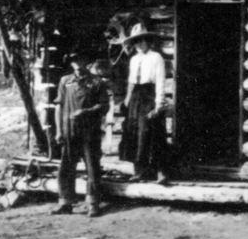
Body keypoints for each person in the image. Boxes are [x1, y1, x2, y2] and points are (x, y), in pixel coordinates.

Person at [53, 49, 111, 217]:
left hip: (89, 132)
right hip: (69, 130)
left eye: (81, 60)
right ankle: (65, 202)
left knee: (92, 167)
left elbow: (104, 106)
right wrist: (59, 130)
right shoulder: (65, 81)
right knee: (66, 167)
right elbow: (59, 106)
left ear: (87, 62)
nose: (78, 63)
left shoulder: (97, 82)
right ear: (71, 63)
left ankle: (93, 203)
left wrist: (86, 112)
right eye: (74, 61)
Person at [123, 22, 172, 184]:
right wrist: (128, 99)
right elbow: (131, 81)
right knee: (135, 132)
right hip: (136, 97)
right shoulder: (134, 60)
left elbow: (160, 81)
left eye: (143, 40)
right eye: (137, 41)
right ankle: (140, 171)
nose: (140, 44)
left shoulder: (156, 57)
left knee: (152, 132)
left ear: (149, 41)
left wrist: (159, 104)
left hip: (149, 95)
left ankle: (161, 172)